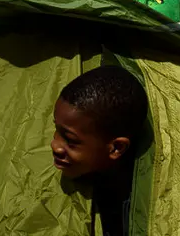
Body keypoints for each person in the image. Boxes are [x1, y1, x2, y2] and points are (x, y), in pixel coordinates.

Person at [51, 65, 148, 236]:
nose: (54, 145)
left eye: (70, 140)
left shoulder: (130, 206)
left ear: (116, 148)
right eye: (56, 129)